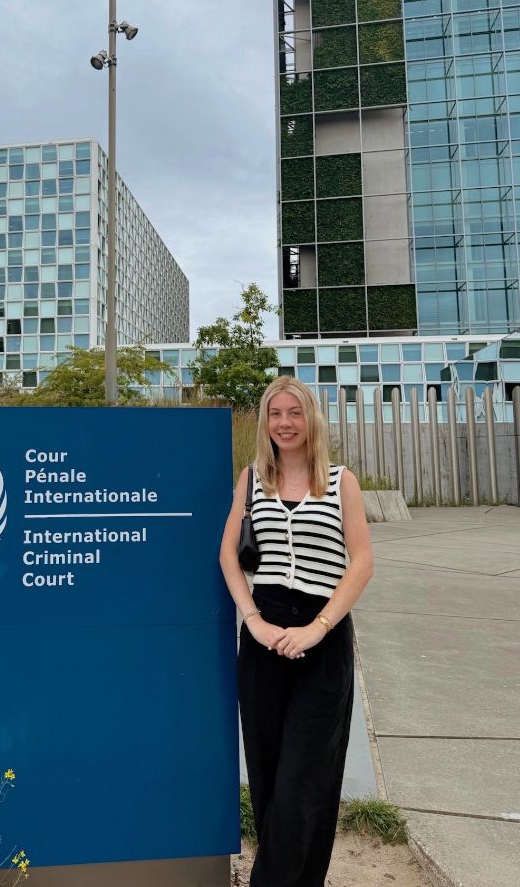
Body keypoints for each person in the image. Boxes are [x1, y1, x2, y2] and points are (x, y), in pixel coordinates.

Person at [220, 375, 374, 887]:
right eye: (275, 413)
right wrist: (254, 620)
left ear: (311, 419)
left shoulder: (339, 480)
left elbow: (362, 563)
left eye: (294, 413)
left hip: (321, 644)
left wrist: (317, 628)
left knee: (304, 783)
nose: (284, 423)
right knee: (266, 777)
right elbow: (228, 557)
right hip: (262, 641)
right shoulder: (251, 479)